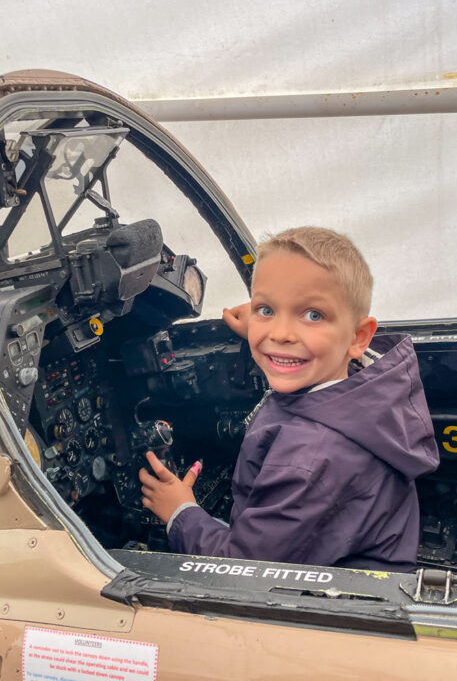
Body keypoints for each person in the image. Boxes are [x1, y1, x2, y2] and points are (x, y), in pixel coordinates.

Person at [138, 226, 439, 571]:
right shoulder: (365, 378)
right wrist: (265, 319)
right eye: (267, 309)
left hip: (330, 601)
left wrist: (180, 511)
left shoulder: (309, 460)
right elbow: (293, 329)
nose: (280, 335)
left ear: (358, 336)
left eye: (313, 315)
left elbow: (246, 569)